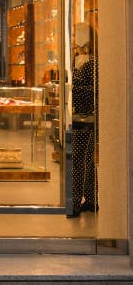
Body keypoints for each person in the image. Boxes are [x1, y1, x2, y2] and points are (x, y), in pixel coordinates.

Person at [69, 25, 98, 218]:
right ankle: (91, 199)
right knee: (85, 159)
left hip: (86, 117)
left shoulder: (92, 62)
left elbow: (95, 91)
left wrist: (75, 87)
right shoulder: (79, 60)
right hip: (80, 115)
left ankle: (75, 203)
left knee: (79, 160)